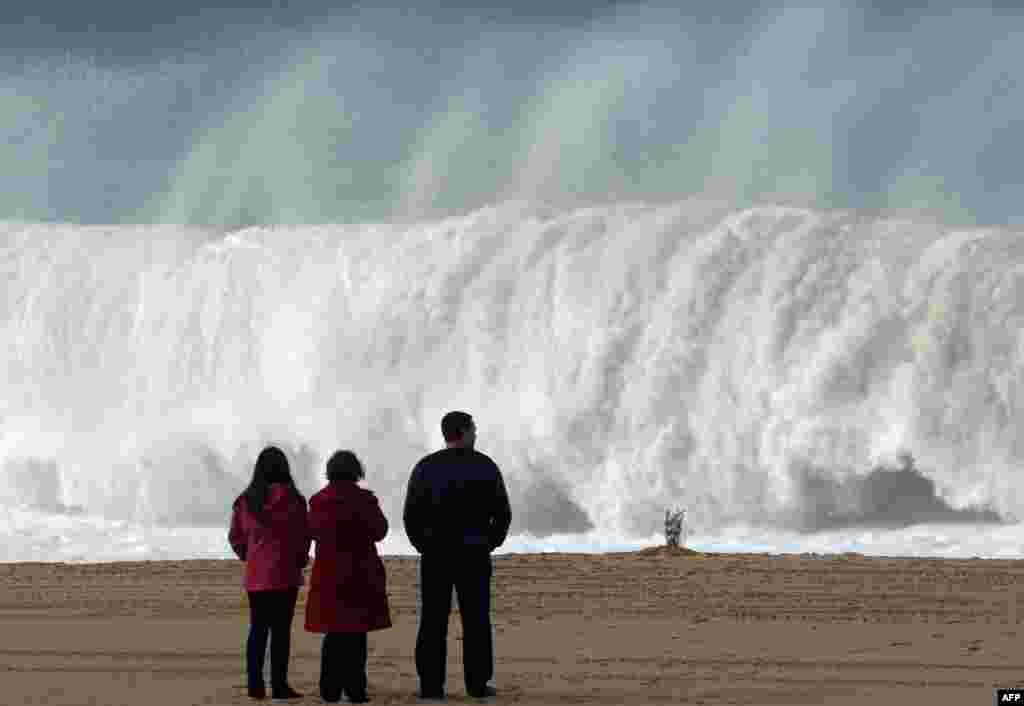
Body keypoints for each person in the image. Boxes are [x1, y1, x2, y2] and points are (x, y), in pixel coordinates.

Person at [403, 411, 512, 702]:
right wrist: (489, 543)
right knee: (476, 621)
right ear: (463, 432)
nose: (476, 434)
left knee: (432, 621)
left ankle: (431, 686)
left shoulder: (426, 467)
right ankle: (477, 684)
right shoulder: (485, 466)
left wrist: (422, 545)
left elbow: (411, 515)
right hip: (473, 554)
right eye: (474, 429)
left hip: (436, 554)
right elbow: (502, 513)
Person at [304, 450, 392, 704]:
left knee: (333, 635)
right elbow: (380, 531)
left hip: (329, 574)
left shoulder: (318, 502)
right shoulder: (365, 500)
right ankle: (355, 689)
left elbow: (310, 531)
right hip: (360, 574)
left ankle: (330, 690)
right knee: (356, 634)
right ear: (356, 471)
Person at [228, 446, 310, 703]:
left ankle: (255, 685)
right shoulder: (295, 500)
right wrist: (299, 560)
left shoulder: (246, 500)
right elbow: (303, 537)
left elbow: (235, 537)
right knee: (281, 632)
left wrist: (248, 556)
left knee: (258, 630)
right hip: (286, 574)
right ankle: (279, 685)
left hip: (257, 574)